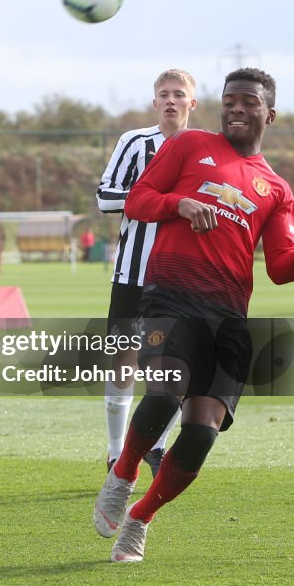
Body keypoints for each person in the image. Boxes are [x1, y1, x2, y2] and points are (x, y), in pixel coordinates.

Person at [92, 67, 294, 563]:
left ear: (269, 114)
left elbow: (279, 268)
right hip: (170, 296)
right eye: (229, 100)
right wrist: (181, 204)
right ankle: (123, 472)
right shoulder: (189, 146)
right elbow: (141, 200)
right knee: (167, 390)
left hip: (228, 315)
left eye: (248, 102)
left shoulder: (276, 189)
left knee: (201, 433)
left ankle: (140, 518)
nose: (236, 108)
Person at [95, 69, 195, 476]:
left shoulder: (207, 150)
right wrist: (169, 201)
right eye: (164, 94)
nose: (171, 100)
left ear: (193, 103)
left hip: (184, 276)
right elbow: (105, 198)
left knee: (179, 366)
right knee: (124, 361)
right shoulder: (135, 142)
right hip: (133, 273)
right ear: (155, 102)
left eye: (179, 94)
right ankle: (117, 450)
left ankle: (156, 446)